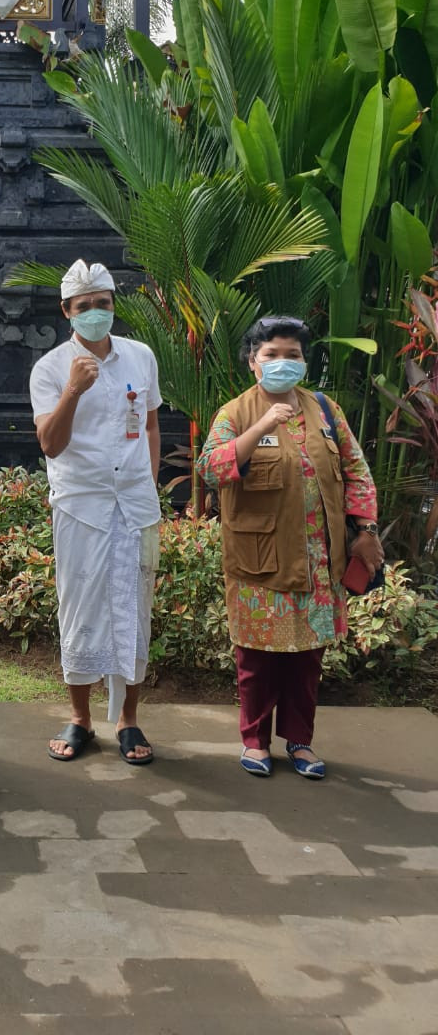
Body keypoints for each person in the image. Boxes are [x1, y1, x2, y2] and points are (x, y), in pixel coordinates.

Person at [198, 315, 384, 779]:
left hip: (320, 561)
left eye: (293, 355)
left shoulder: (325, 409)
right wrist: (261, 424)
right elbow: (211, 469)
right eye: (272, 355)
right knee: (257, 659)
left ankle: (300, 742)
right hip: (259, 560)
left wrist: (366, 529)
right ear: (253, 363)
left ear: (304, 362)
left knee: (307, 659)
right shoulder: (235, 412)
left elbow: (356, 471)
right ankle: (255, 742)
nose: (283, 362)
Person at [29, 259, 162, 764]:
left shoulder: (140, 357)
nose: (94, 313)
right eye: (83, 307)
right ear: (67, 312)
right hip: (81, 504)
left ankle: (129, 719)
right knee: (80, 606)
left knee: (134, 606)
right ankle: (81, 718)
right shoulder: (49, 368)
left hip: (134, 503)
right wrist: (72, 391)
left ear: (114, 306)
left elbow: (149, 425)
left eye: (102, 304)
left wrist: (145, 483)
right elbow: (50, 444)